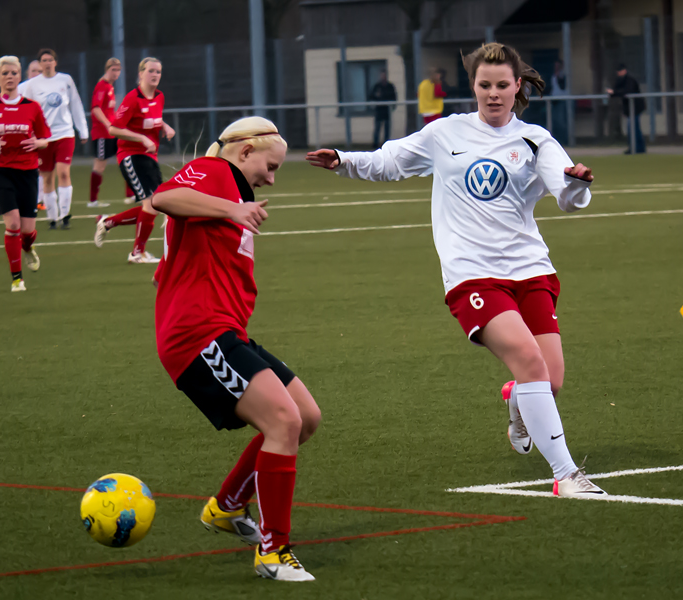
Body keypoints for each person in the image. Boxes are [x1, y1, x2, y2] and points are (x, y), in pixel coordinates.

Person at [306, 42, 606, 498]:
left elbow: (567, 197)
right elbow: (391, 161)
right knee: (530, 363)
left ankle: (519, 404)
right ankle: (566, 476)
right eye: (484, 85)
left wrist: (578, 184)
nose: (493, 93)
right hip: (473, 275)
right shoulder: (445, 133)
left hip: (530, 270)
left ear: (516, 86)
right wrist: (345, 161)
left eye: (502, 85)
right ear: (473, 87)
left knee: (550, 379)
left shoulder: (536, 139)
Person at [151, 116, 320, 581]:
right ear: (245, 152)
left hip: (225, 330)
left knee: (305, 417)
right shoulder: (217, 173)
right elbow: (161, 197)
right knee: (283, 421)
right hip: (198, 334)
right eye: (271, 165)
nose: (271, 176)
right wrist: (230, 211)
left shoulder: (229, 187)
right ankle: (272, 553)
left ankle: (226, 507)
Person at [0, 56, 51, 292]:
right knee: (13, 224)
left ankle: (28, 248)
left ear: (20, 77)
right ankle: (17, 279)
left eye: (14, 73)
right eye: (5, 73)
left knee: (28, 231)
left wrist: (37, 143)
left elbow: (45, 138)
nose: (10, 77)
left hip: (28, 172)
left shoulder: (32, 106)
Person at [93, 57, 175, 264]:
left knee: (156, 204)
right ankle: (137, 253)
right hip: (131, 155)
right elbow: (113, 128)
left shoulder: (159, 96)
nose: (155, 75)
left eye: (158, 71)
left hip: (149, 156)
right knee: (151, 203)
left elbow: (154, 118)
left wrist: (165, 126)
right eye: (151, 71)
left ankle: (108, 222)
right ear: (140, 74)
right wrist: (140, 137)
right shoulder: (132, 98)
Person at [21, 48, 89, 229]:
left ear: (55, 62)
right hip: (44, 138)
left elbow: (75, 103)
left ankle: (65, 215)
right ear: (40, 63)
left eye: (50, 59)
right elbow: (26, 108)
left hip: (65, 134)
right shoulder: (32, 85)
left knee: (64, 173)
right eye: (44, 60)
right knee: (47, 178)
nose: (47, 63)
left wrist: (83, 130)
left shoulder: (65, 80)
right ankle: (53, 218)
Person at [88, 57, 122, 208]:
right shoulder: (102, 86)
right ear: (106, 70)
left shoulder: (110, 87)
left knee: (125, 157)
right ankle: (93, 200)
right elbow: (95, 108)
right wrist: (108, 124)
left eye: (118, 70)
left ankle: (131, 195)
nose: (116, 73)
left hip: (112, 133)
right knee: (100, 165)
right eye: (113, 69)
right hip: (102, 133)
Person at [18, 60, 46, 211]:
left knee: (42, 168)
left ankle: (39, 200)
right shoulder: (20, 89)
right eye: (34, 71)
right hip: (24, 135)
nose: (36, 74)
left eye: (39, 71)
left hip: (41, 135)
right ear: (27, 73)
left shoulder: (47, 88)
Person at [607, 63, 645, 154]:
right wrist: (613, 92)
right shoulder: (620, 80)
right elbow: (617, 91)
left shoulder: (630, 80)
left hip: (635, 108)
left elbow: (627, 91)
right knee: (634, 128)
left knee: (633, 129)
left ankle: (636, 148)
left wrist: (614, 92)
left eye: (620, 71)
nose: (618, 73)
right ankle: (637, 148)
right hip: (629, 108)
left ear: (624, 71)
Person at [368, 69, 397, 148]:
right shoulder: (377, 86)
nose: (383, 77)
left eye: (384, 75)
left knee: (387, 128)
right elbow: (371, 96)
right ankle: (375, 145)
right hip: (379, 111)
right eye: (381, 75)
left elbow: (394, 97)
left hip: (387, 111)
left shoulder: (390, 86)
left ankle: (386, 145)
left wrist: (393, 106)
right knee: (377, 128)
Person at [549, 59, 569, 146]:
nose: (556, 68)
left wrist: (558, 76)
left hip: (561, 100)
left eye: (558, 66)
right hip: (554, 101)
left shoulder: (562, 75)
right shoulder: (553, 75)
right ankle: (557, 140)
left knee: (561, 122)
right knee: (555, 121)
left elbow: (562, 85)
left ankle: (565, 140)